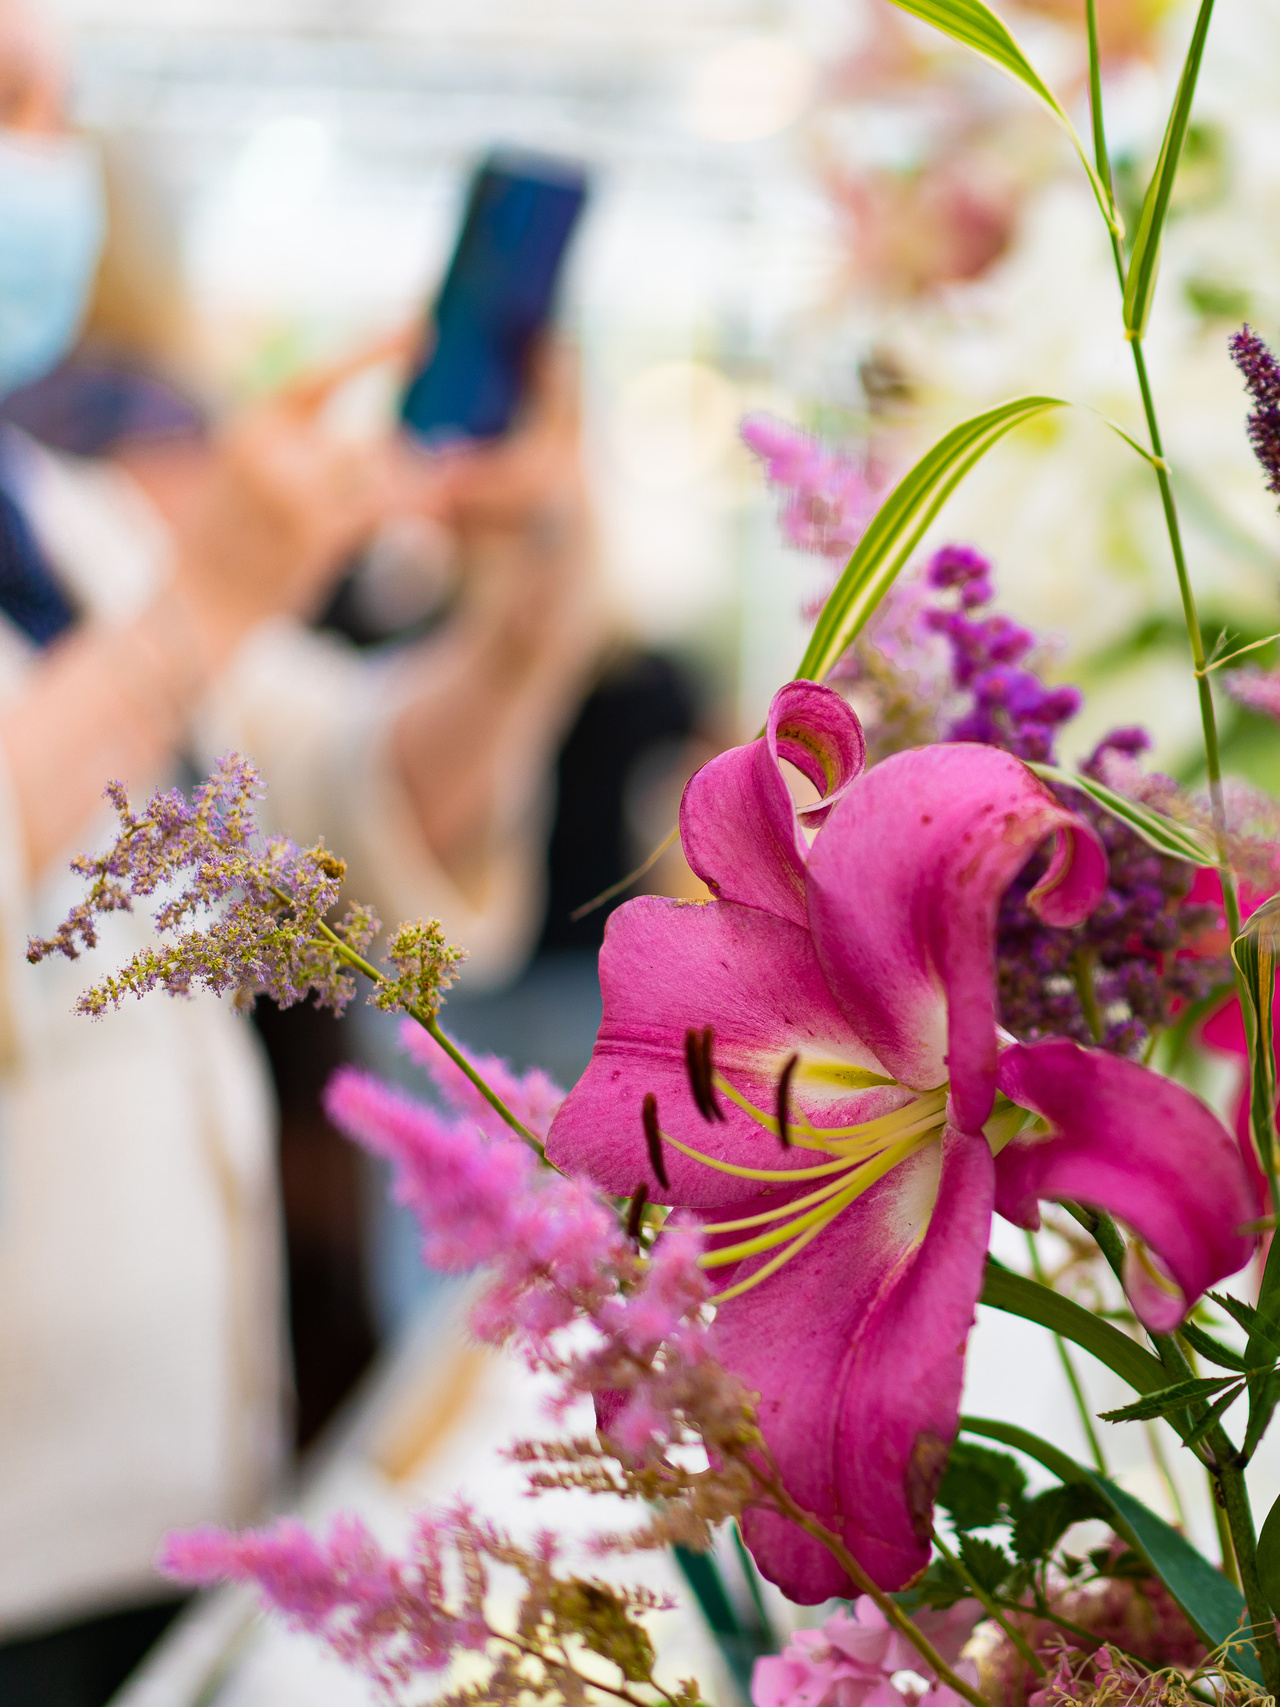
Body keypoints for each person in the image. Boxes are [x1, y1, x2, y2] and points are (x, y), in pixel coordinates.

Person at [0, 4, 600, 1700]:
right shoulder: (141, 560)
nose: (49, 154)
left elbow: (352, 795)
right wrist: (195, 609)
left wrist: (526, 607)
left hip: (187, 1499)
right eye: (5, 99)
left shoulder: (71, 516)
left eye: (53, 101)